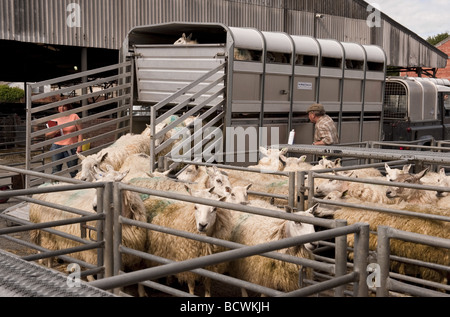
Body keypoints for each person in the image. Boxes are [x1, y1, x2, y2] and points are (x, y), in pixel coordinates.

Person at [45, 103, 83, 178]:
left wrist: (79, 146)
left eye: (64, 106)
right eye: (59, 106)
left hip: (71, 146)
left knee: (73, 171)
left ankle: (76, 187)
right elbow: (47, 134)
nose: (62, 108)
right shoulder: (54, 118)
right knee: (55, 170)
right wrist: (55, 131)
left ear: (68, 107)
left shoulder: (74, 116)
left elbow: (80, 132)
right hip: (57, 146)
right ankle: (55, 187)